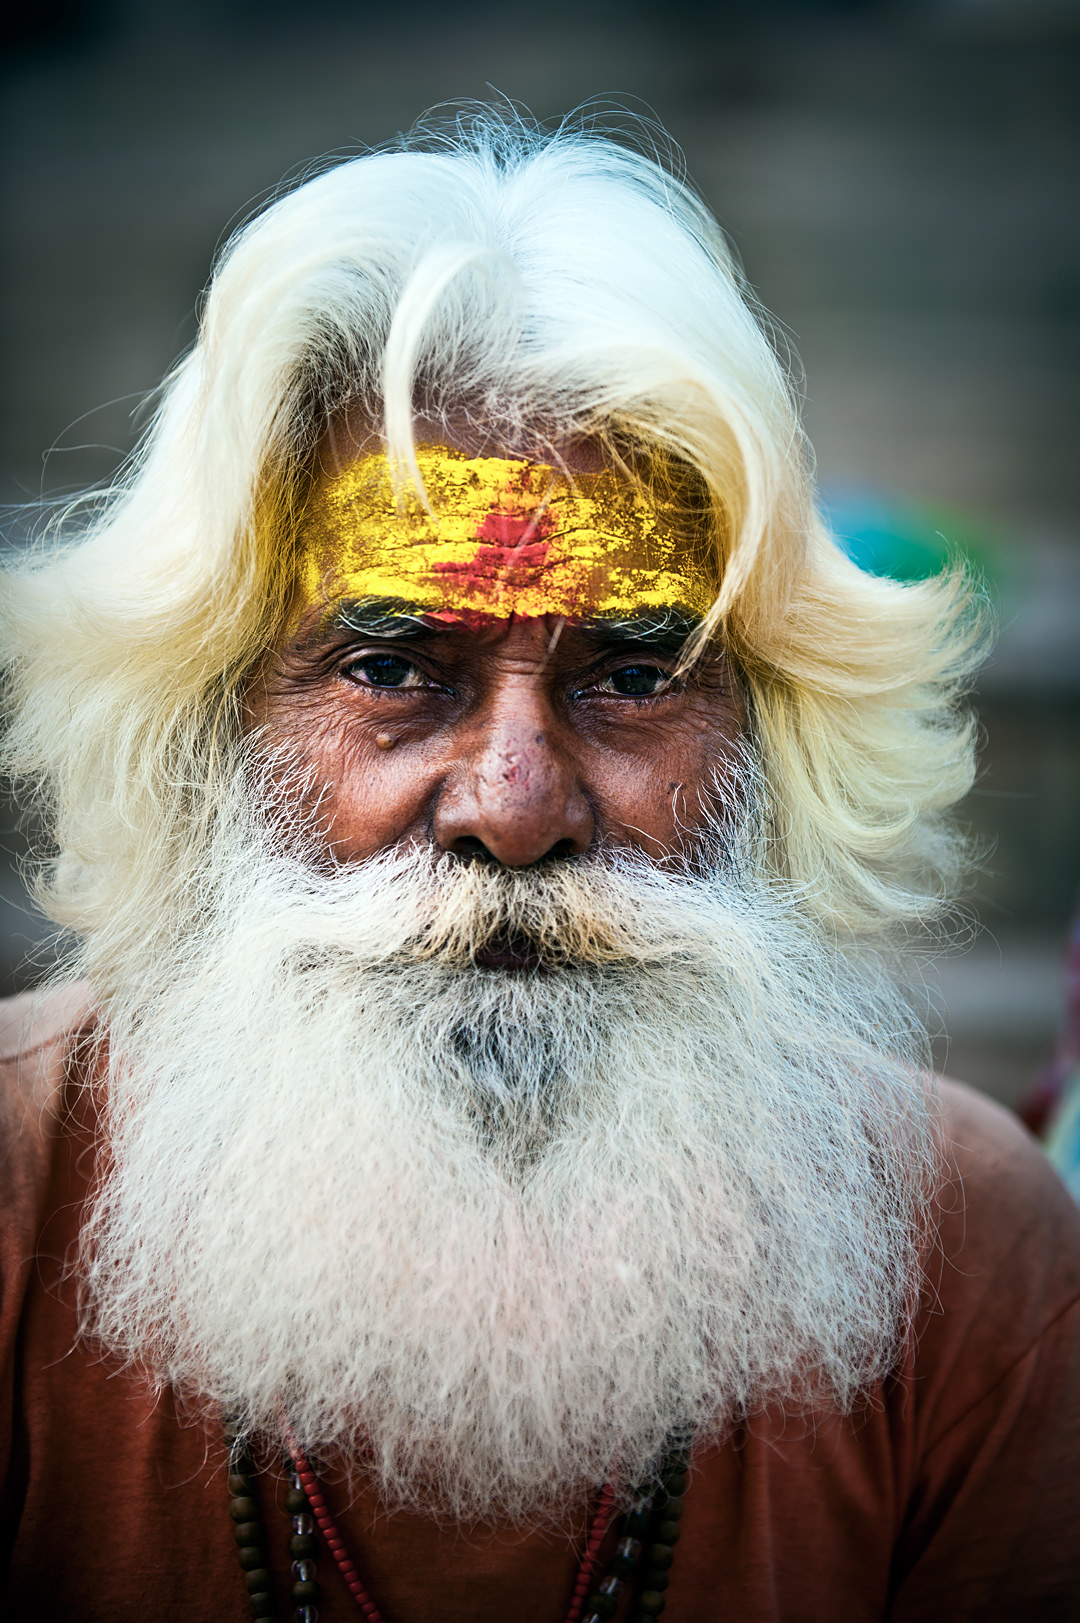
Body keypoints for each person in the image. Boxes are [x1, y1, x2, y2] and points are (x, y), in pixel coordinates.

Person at [2, 110, 1078, 1623]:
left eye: (635, 673)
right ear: (204, 728)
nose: (515, 809)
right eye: (390, 666)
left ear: (771, 741)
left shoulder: (976, 1244)